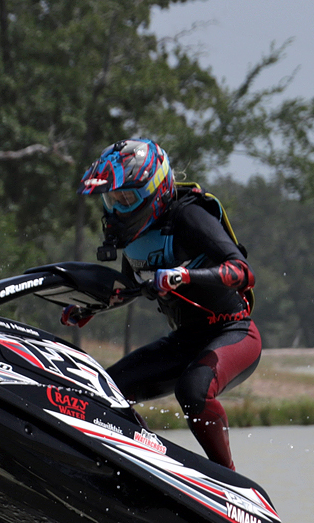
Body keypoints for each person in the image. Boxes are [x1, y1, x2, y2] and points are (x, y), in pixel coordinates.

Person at [66, 138, 259, 471]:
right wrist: (89, 307)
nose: (117, 207)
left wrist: (185, 276)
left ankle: (229, 483)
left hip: (234, 332)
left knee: (192, 391)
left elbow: (242, 271)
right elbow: (131, 288)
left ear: (153, 190)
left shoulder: (189, 216)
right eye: (113, 198)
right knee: (108, 391)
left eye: (126, 197)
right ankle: (137, 466)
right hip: (185, 341)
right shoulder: (134, 237)